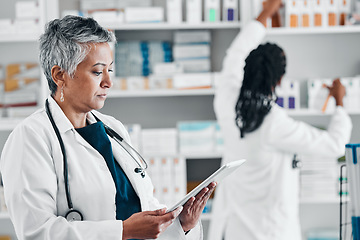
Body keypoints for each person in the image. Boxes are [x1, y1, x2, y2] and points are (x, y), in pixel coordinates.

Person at [0, 15, 216, 240]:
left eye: (109, 71)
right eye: (97, 72)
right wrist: (123, 231)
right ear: (60, 75)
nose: (108, 82)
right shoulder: (31, 138)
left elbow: (142, 208)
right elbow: (36, 232)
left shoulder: (113, 129)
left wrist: (181, 224)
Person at [209, 0, 353, 240]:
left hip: (235, 229)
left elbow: (236, 54)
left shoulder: (226, 99)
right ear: (278, 81)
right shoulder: (274, 122)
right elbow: (334, 145)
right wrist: (340, 104)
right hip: (271, 231)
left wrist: (265, 13)